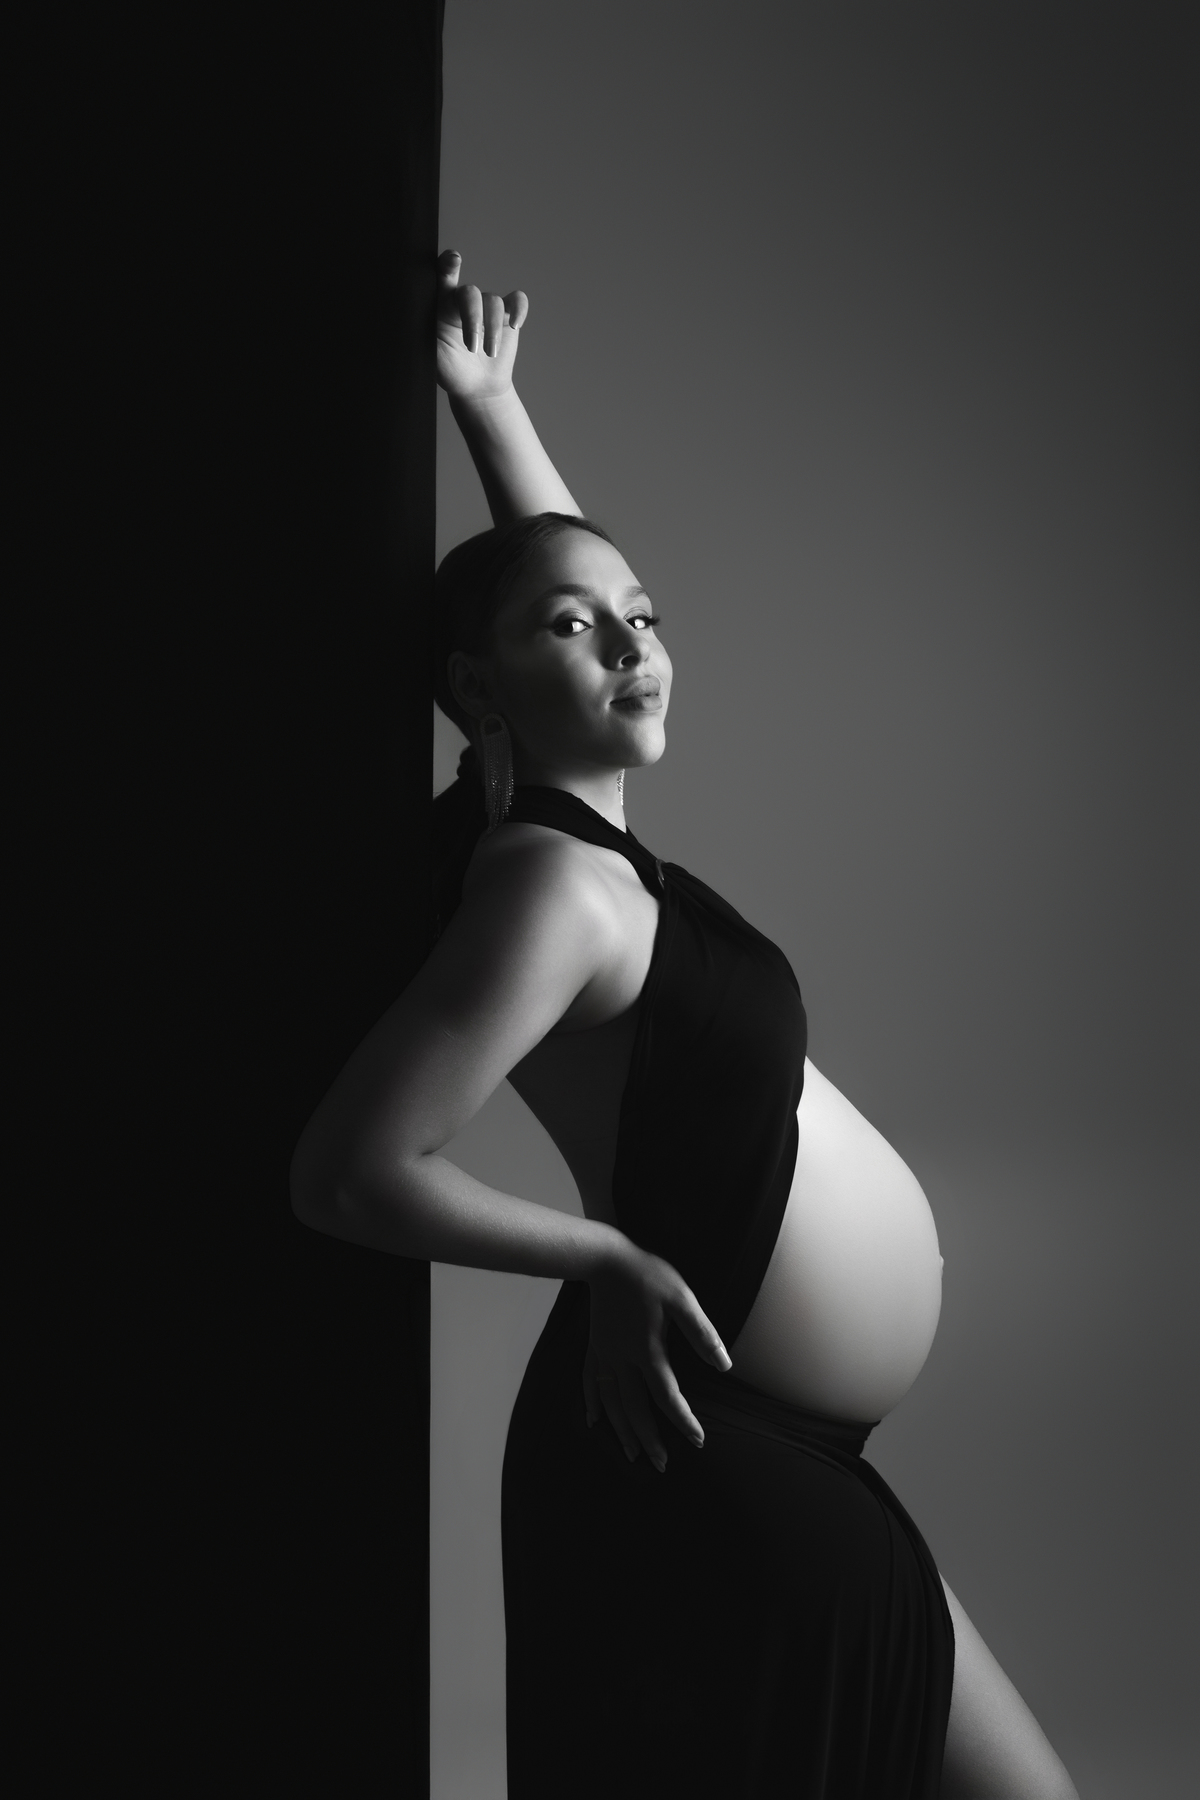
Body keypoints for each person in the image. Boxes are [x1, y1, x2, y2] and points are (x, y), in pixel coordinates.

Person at [291, 249, 1080, 1800]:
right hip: (705, 1440)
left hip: (768, 1444)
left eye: (642, 618)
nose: (630, 646)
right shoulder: (549, 891)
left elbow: (559, 583)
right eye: (578, 630)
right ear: (478, 691)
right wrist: (601, 1257)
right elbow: (345, 1173)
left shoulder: (575, 852)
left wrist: (490, 406)